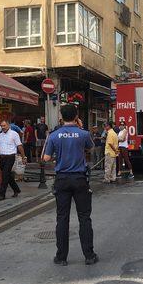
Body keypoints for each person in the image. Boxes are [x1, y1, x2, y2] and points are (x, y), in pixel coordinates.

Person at [44, 104, 98, 266]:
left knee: (62, 218)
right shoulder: (83, 134)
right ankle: (89, 255)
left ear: (61, 116)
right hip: (80, 179)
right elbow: (91, 147)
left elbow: (46, 158)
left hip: (62, 179)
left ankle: (61, 257)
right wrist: (80, 128)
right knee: (84, 217)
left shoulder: (54, 135)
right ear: (76, 116)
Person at [0, 120, 26, 200]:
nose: (3, 127)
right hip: (2, 158)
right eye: (1, 126)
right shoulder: (0, 136)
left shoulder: (14, 134)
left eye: (4, 126)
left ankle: (2, 195)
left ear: (8, 125)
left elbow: (19, 146)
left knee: (5, 175)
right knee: (7, 175)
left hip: (10, 157)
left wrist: (23, 157)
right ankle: (16, 189)